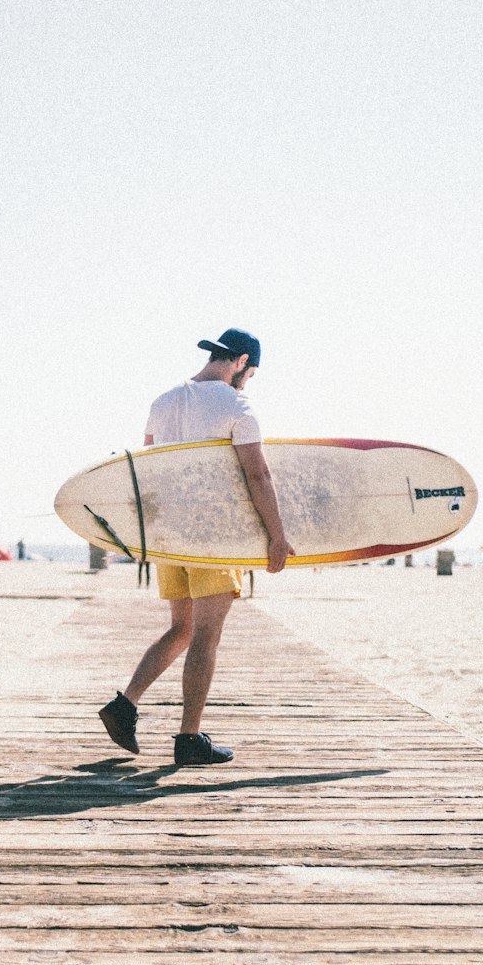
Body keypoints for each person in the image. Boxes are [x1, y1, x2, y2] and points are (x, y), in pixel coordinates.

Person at [98, 328, 293, 767]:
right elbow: (258, 475)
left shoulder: (163, 402)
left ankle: (124, 706)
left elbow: (148, 468)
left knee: (181, 629)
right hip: (214, 537)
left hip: (171, 538)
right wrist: (277, 536)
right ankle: (189, 739)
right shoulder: (238, 405)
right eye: (252, 372)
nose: (249, 381)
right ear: (241, 362)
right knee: (205, 636)